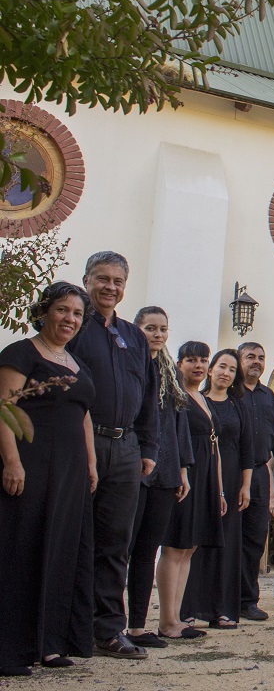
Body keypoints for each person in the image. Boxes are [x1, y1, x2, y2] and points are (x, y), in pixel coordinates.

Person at [0, 282, 97, 676]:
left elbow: (84, 413)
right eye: (62, 310)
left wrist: (91, 463)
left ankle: (51, 644)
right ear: (44, 311)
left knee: (62, 554)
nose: (69, 319)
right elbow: (4, 408)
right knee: (22, 552)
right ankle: (9, 649)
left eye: (76, 313)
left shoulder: (77, 364)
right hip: (31, 467)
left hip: (71, 474)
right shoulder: (20, 353)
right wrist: (11, 461)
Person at [68, 251, 160, 660]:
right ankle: (63, 628)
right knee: (71, 537)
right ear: (87, 280)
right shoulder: (72, 327)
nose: (110, 287)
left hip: (125, 450)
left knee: (114, 544)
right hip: (78, 445)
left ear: (125, 286)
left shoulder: (134, 337)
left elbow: (149, 399)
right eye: (101, 278)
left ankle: (108, 629)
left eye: (117, 281)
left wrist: (149, 447)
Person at [126, 307, 193, 649]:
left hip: (165, 473)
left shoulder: (170, 372)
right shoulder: (129, 365)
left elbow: (179, 425)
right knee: (121, 548)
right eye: (150, 328)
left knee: (146, 550)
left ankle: (137, 627)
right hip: (132, 469)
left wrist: (182, 470)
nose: (157, 334)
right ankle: (106, 624)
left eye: (163, 329)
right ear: (137, 329)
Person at [182, 349, 253, 629]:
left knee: (227, 546)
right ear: (210, 370)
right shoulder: (197, 401)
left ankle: (222, 610)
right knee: (195, 542)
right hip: (202, 476)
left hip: (233, 481)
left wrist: (246, 486)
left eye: (232, 369)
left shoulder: (239, 406)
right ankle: (188, 609)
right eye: (221, 366)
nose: (226, 373)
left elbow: (248, 449)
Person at [159, 341, 220, 641]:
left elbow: (214, 445)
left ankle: (178, 616)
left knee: (190, 547)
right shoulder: (175, 395)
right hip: (184, 474)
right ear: (179, 363)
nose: (198, 365)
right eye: (191, 359)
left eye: (203, 360)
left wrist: (218, 490)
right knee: (174, 546)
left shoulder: (204, 397)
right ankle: (166, 619)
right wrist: (181, 471)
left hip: (206, 475)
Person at [236, 342, 274, 622]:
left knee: (254, 540)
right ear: (239, 360)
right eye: (250, 357)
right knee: (227, 538)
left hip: (259, 472)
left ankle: (248, 601)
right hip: (232, 473)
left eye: (261, 358)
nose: (256, 362)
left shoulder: (269, 396)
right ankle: (222, 599)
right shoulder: (231, 392)